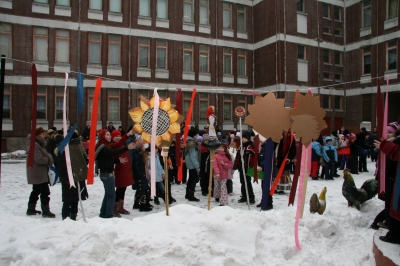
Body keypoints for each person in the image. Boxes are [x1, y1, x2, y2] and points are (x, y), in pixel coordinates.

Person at [96, 129, 136, 218]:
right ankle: (110, 213)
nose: (110, 136)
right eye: (108, 135)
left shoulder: (107, 145)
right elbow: (114, 151)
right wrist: (127, 135)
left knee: (112, 193)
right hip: (108, 173)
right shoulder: (107, 146)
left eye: (119, 136)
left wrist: (118, 160)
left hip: (114, 171)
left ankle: (108, 212)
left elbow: (110, 158)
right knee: (112, 194)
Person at [373, 122, 400, 244]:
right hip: (388, 178)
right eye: (387, 132)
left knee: (392, 206)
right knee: (390, 205)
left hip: (392, 178)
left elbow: (392, 160)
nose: (388, 134)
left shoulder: (395, 143)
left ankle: (391, 231)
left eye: (390, 132)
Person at [55, 131, 89, 220]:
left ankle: (73, 216)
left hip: (76, 177)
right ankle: (65, 218)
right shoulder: (64, 150)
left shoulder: (76, 148)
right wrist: (66, 178)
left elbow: (83, 161)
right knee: (68, 200)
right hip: (68, 178)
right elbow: (61, 166)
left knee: (75, 200)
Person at [26, 127, 55, 218]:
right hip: (37, 172)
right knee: (45, 191)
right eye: (42, 134)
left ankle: (31, 209)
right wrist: (49, 158)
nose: (44, 136)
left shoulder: (39, 144)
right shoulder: (34, 145)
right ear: (38, 135)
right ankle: (46, 211)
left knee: (36, 190)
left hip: (38, 171)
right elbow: (39, 159)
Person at [111, 130, 135, 216]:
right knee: (119, 189)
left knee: (123, 189)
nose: (118, 138)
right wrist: (127, 135)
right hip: (119, 170)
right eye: (115, 136)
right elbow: (118, 144)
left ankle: (120, 207)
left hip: (125, 170)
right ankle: (115, 208)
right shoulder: (114, 146)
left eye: (119, 136)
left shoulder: (122, 145)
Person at [233, 131, 255, 204]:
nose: (243, 139)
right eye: (242, 138)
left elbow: (253, 157)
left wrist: (250, 164)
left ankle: (251, 197)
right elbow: (237, 157)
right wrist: (236, 165)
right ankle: (244, 195)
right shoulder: (241, 146)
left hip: (247, 167)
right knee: (242, 182)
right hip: (241, 167)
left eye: (245, 138)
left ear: (248, 138)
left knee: (247, 182)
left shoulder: (251, 146)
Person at [184, 127, 201, 201]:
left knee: (190, 179)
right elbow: (193, 156)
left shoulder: (188, 141)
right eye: (196, 135)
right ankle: (191, 195)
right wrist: (197, 166)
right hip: (192, 165)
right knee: (193, 179)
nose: (196, 136)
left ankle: (188, 194)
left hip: (190, 164)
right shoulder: (192, 143)